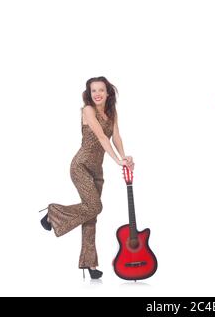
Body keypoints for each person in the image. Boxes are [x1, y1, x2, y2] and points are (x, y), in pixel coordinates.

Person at [40, 76, 134, 279]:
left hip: (96, 171)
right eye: (94, 91)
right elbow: (101, 137)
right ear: (89, 93)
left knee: (91, 216)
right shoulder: (88, 110)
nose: (97, 94)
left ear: (108, 92)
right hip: (81, 166)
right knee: (94, 206)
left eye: (101, 90)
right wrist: (117, 161)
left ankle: (90, 265)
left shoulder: (112, 111)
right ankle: (53, 212)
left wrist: (124, 156)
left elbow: (115, 136)